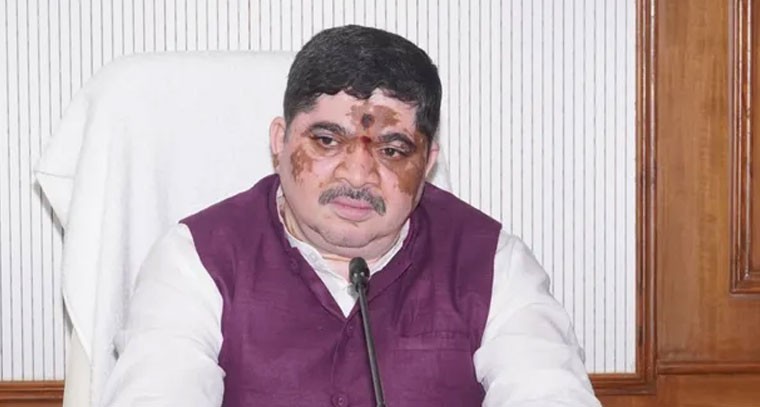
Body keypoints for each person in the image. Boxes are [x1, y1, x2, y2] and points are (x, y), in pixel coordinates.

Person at [101, 25, 601, 407]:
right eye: (327, 140)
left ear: (428, 163)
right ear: (279, 142)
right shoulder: (195, 259)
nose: (359, 174)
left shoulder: (491, 263)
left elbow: (548, 390)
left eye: (392, 149)